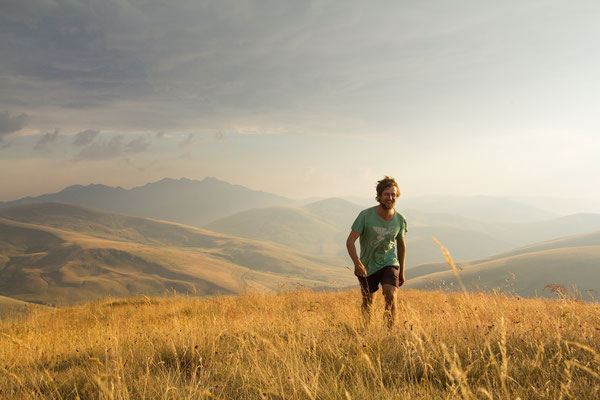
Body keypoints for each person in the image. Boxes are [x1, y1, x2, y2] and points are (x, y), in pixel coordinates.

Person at [346, 176, 407, 328]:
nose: (390, 197)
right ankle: (367, 330)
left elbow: (401, 246)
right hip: (367, 265)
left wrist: (401, 271)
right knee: (368, 300)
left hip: (389, 262)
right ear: (379, 196)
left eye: (393, 194)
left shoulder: (400, 219)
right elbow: (350, 242)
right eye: (387, 194)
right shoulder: (365, 216)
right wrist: (357, 264)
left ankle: (389, 332)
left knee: (391, 296)